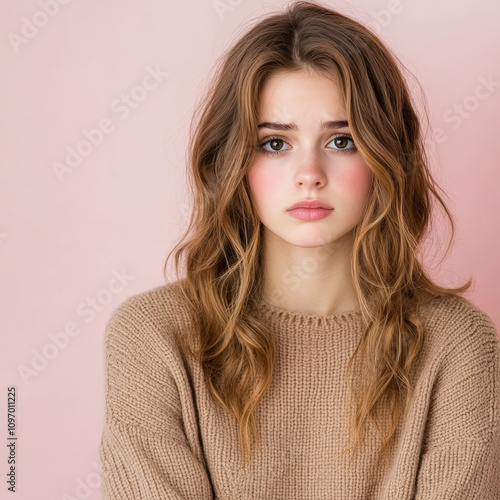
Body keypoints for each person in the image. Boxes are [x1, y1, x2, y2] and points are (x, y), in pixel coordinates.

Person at [98, 1, 500, 498]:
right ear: (232, 162)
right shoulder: (153, 338)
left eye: (342, 141)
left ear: (385, 158)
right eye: (274, 144)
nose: (309, 173)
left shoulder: (458, 345)